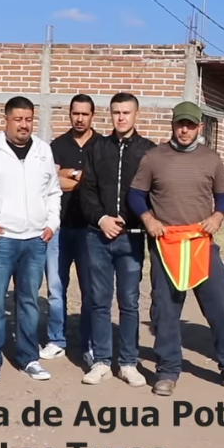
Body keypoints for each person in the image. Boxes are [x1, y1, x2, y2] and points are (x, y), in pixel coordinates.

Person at [128, 101, 224, 397]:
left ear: (200, 127)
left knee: (223, 305)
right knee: (165, 309)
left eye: (191, 125)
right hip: (166, 244)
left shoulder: (211, 159)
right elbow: (136, 195)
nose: (185, 129)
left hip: (202, 242)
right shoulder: (154, 158)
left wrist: (217, 216)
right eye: (181, 124)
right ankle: (167, 370)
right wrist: (148, 218)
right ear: (173, 125)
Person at [0, 96, 62, 383]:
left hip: (34, 240)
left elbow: (53, 192)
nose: (24, 125)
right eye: (18, 119)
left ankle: (28, 358)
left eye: (28, 119)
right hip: (1, 240)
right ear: (6, 120)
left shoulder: (43, 151)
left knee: (28, 302)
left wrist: (51, 223)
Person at [79, 92, 156, 386]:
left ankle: (128, 362)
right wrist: (102, 219)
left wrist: (135, 220)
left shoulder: (148, 151)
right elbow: (87, 191)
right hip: (98, 237)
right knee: (99, 301)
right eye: (116, 112)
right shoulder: (96, 148)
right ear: (109, 115)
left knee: (129, 302)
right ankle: (101, 361)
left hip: (132, 239)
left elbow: (152, 193)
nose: (121, 117)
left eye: (126, 112)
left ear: (137, 115)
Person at [39, 95, 100, 365]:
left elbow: (100, 184)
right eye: (75, 113)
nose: (79, 118)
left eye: (85, 114)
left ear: (92, 115)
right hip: (59, 227)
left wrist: (69, 174)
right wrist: (82, 177)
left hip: (90, 230)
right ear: (70, 115)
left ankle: (89, 343)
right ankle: (56, 340)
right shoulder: (57, 145)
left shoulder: (102, 145)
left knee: (91, 289)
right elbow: (51, 182)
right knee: (55, 287)